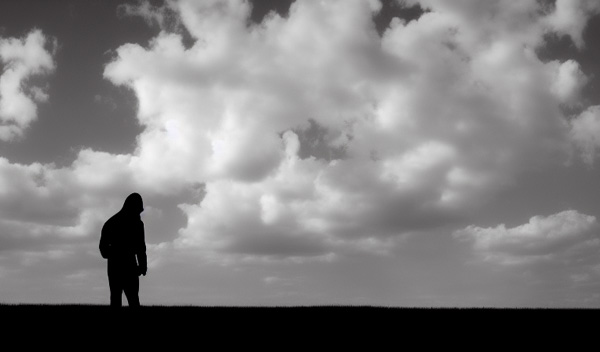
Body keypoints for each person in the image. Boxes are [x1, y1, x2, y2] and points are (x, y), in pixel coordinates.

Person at [99, 193, 147, 308]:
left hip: (115, 265)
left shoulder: (111, 222)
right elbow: (141, 247)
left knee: (117, 298)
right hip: (128, 265)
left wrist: (113, 254)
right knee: (133, 299)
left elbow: (103, 249)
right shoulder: (137, 224)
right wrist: (142, 265)